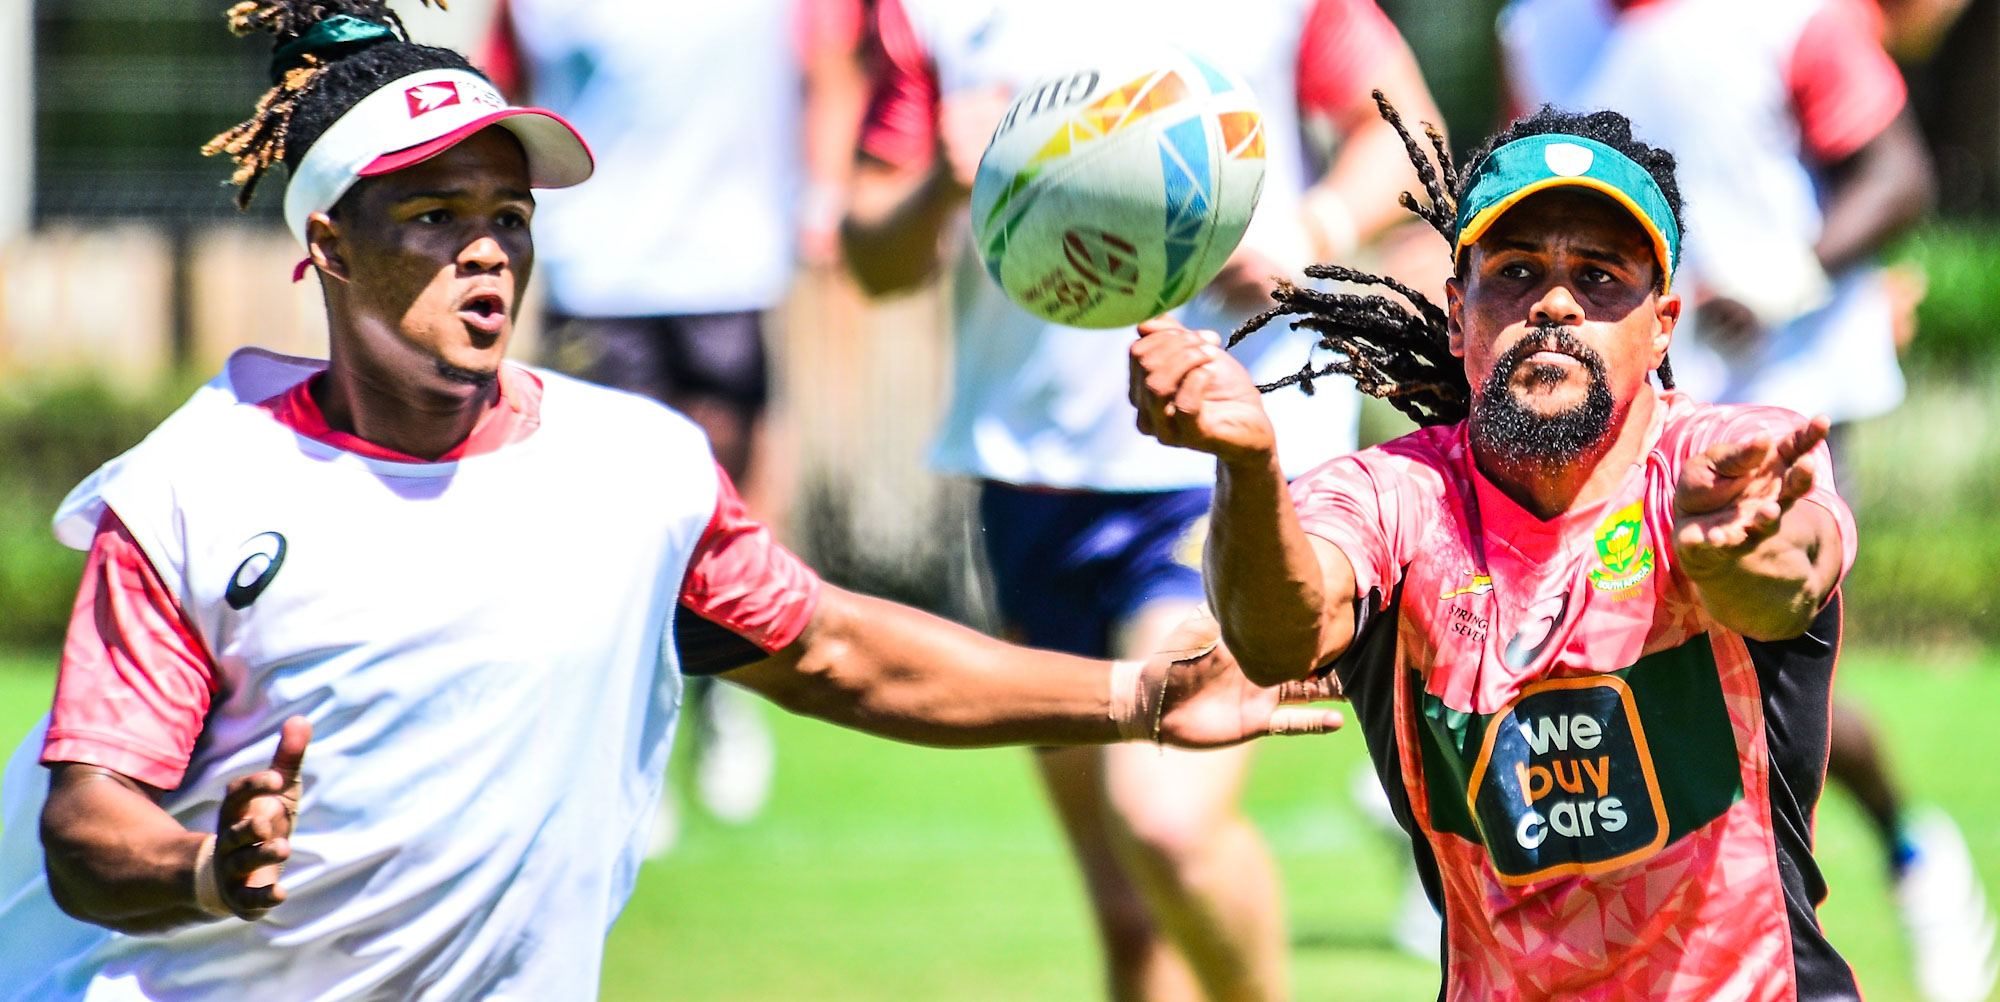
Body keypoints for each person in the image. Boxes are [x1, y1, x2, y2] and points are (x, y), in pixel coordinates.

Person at [0, 4, 1343, 999]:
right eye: (433, 215)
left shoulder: (628, 470)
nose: (487, 245)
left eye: (508, 214)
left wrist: (1138, 699)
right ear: (329, 246)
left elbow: (834, 650)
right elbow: (84, 823)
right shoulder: (200, 487)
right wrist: (200, 870)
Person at [1130, 101, 1872, 998]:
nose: (1555, 302)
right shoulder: (1392, 497)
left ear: (1664, 322)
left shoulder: (1722, 461)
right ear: (1458, 311)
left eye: (1600, 278)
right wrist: (1245, 467)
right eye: (1516, 271)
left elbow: (1788, 578)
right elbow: (1283, 635)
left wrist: (1729, 557)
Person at [842, 3, 1443, 998]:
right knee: (1128, 917)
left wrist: (1312, 230)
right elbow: (872, 260)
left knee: (1164, 822)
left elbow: (1408, 136)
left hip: (1222, 466)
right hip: (1033, 483)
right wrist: (942, 187)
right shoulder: (930, 15)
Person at [1495, 4, 1996, 998]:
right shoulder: (1535, 30)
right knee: (1615, 669)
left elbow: (1898, 177)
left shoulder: (1790, 16)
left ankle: (1903, 861)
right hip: (1626, 416)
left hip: (1788, 405)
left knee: (1762, 688)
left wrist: (1791, 275)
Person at [475, 0, 872, 841]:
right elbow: (495, 92)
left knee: (729, 503)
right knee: (598, 520)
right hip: (597, 274)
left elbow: (832, 61)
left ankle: (725, 691)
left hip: (731, 262)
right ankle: (626, 738)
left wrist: (826, 188)